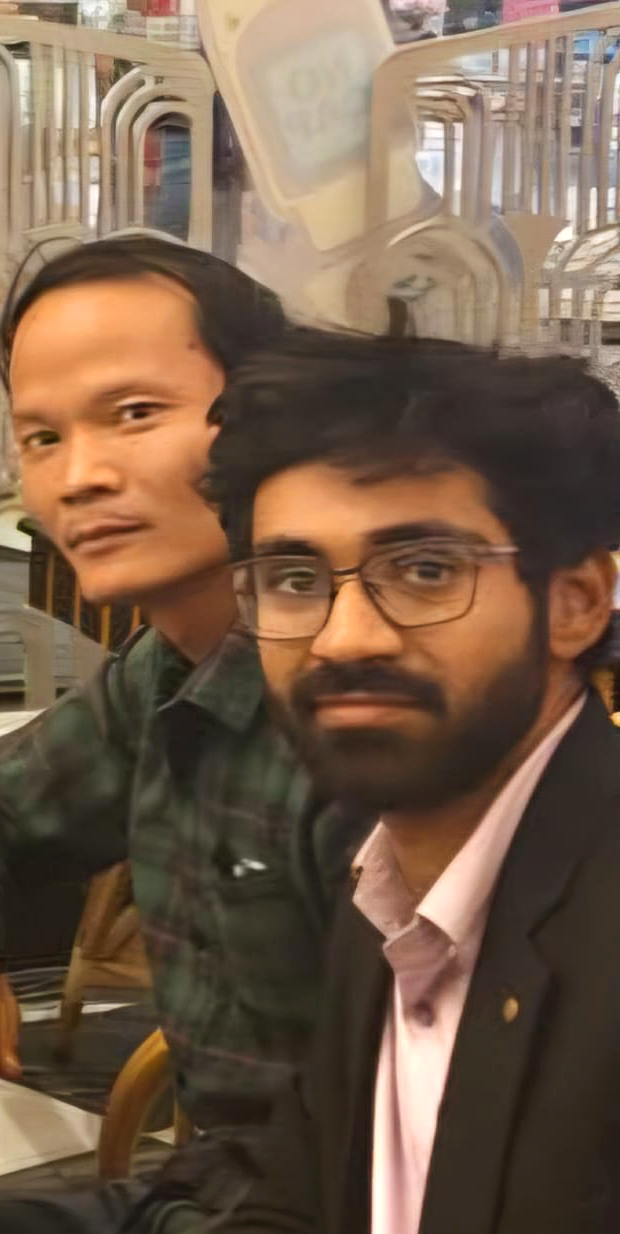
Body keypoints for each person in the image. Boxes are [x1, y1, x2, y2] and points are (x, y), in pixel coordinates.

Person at [0, 237, 368, 1233]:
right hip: (205, 1192)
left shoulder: (358, 714)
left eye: (134, 413)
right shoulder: (169, 668)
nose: (78, 477)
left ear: (267, 419)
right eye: (40, 437)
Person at [207, 331, 620, 1233]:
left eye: (425, 570)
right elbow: (298, 1203)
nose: (344, 638)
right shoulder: (389, 886)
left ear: (577, 603)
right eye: (293, 579)